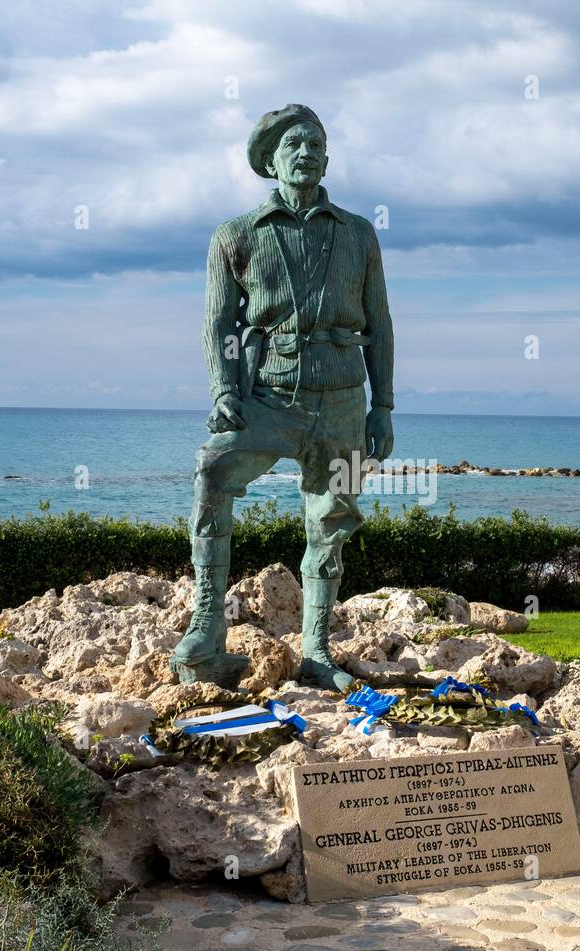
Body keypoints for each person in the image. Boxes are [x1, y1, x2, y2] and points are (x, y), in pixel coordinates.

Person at [170, 104, 395, 692]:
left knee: (334, 518)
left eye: (316, 142)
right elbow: (217, 324)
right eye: (293, 143)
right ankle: (206, 629)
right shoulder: (236, 235)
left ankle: (317, 650)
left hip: (345, 400)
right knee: (213, 472)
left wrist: (384, 405)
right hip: (268, 396)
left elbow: (381, 324)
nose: (307, 151)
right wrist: (223, 390)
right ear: (270, 160)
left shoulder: (359, 234)